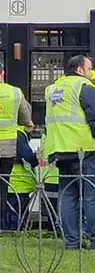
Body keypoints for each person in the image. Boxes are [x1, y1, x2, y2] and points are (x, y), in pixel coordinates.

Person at [44, 55, 95, 250]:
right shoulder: (84, 87)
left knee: (67, 197)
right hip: (85, 150)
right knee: (92, 196)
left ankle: (71, 242)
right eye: (89, 69)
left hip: (60, 150)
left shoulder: (52, 89)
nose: (91, 73)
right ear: (78, 69)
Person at [0, 61, 33, 231]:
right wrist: (28, 125)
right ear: (2, 74)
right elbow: (26, 118)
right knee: (3, 186)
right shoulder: (15, 92)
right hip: (7, 148)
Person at [3, 121, 38, 231]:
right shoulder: (18, 133)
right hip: (17, 184)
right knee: (15, 222)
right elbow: (28, 157)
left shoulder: (7, 131)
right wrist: (36, 157)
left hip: (8, 183)